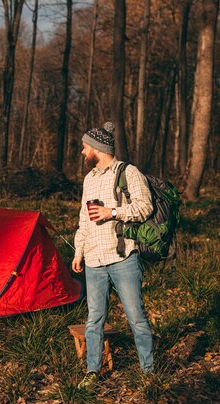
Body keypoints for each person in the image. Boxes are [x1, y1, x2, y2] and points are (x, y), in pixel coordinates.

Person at [72, 121, 154, 389]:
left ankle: (148, 371)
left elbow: (144, 207)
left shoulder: (128, 172)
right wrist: (79, 251)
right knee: (94, 320)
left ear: (98, 148)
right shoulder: (89, 179)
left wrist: (113, 212)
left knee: (136, 317)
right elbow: (84, 219)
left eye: (85, 148)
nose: (83, 153)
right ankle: (92, 371)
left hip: (123, 258)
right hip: (94, 261)